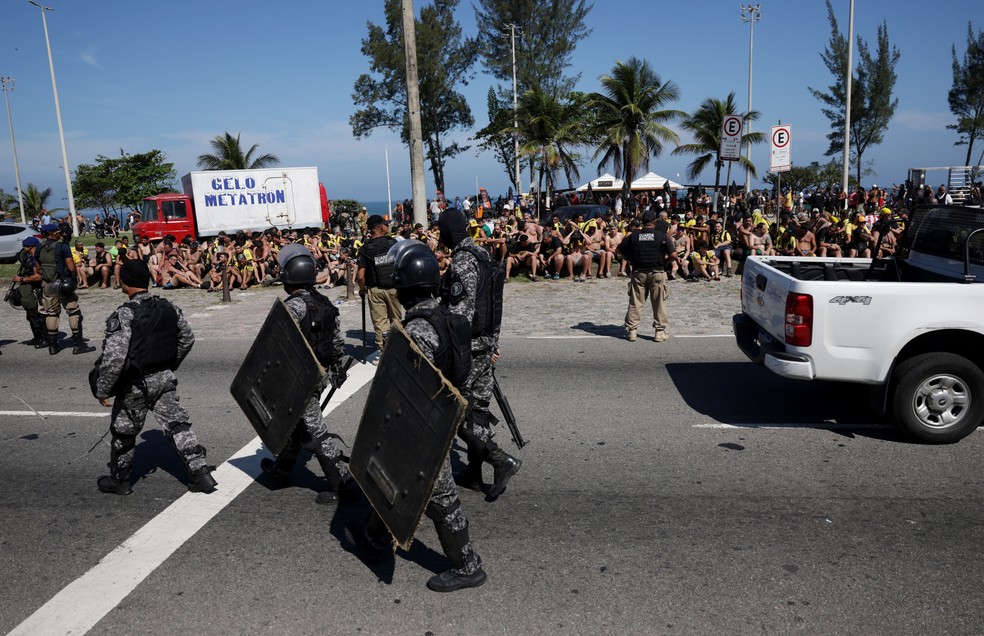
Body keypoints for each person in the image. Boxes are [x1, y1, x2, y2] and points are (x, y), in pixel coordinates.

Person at [346, 240, 487, 593]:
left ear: (403, 285)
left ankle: (467, 565)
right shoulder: (448, 319)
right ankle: (376, 533)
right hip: (440, 416)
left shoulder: (417, 330)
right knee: (392, 472)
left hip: (423, 424)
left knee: (438, 494)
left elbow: (410, 386)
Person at [92, 259, 217, 496]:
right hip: (163, 379)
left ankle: (120, 480)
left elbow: (114, 357)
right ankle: (201, 474)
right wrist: (170, 365)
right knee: (178, 425)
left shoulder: (124, 314)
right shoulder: (168, 306)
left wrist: (103, 388)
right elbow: (187, 338)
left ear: (125, 283)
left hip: (134, 385)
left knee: (124, 432)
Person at [259, 244, 356, 505]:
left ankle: (342, 481)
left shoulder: (294, 307)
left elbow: (274, 343)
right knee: (297, 424)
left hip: (298, 380)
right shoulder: (323, 302)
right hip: (319, 373)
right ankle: (282, 470)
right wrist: (334, 369)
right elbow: (336, 342)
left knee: (315, 432)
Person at [437, 208, 521, 499]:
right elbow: (494, 304)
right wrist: (493, 344)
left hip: (468, 351)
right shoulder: (484, 255)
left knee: (456, 413)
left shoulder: (462, 261)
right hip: (485, 347)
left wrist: (450, 353)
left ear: (447, 233)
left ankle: (500, 460)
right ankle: (473, 474)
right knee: (479, 414)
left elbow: (460, 316)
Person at [618, 210, 677, 342]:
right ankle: (659, 332)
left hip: (639, 272)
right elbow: (673, 255)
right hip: (657, 272)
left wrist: (631, 259)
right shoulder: (661, 235)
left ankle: (632, 331)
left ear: (642, 221)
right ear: (654, 221)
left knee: (635, 302)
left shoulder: (633, 236)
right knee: (659, 303)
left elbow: (619, 251)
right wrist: (664, 261)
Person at [36, 223, 96, 355]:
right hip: (62, 283)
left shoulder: (39, 247)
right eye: (57, 232)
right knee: (73, 311)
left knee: (51, 313)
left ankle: (53, 346)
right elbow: (71, 267)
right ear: (52, 233)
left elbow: (38, 269)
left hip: (47, 284)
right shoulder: (62, 247)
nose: (59, 233)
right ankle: (78, 344)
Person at [357, 215, 401, 358]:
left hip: (374, 289)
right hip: (393, 288)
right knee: (396, 320)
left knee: (380, 322)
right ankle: (399, 347)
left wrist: (362, 289)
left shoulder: (364, 248)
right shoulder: (392, 243)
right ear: (380, 227)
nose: (387, 227)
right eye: (385, 225)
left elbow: (360, 276)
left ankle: (384, 352)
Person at [10, 236, 46, 347]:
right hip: (28, 291)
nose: (23, 247)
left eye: (25, 245)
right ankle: (37, 337)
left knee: (38, 315)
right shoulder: (28, 257)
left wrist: (21, 279)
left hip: (36, 290)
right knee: (30, 315)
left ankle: (44, 338)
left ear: (31, 246)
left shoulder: (36, 258)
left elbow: (38, 276)